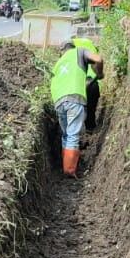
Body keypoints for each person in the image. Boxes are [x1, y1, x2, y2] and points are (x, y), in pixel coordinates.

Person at [50, 40, 104, 177]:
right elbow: (98, 59)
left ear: (62, 51)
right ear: (73, 47)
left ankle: (66, 164)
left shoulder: (58, 63)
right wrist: (99, 73)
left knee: (66, 134)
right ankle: (69, 170)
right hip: (74, 97)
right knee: (73, 134)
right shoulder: (79, 52)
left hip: (58, 100)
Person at [70, 36, 102, 131]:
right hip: (92, 82)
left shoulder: (71, 48)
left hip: (77, 83)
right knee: (90, 109)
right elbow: (98, 61)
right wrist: (99, 74)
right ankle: (90, 128)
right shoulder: (91, 47)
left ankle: (75, 133)